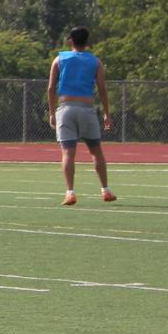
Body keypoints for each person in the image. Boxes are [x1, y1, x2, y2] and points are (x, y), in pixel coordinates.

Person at [46, 27, 115, 206]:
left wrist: (52, 112)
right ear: (87, 41)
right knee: (96, 151)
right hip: (87, 108)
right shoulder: (95, 61)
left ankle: (70, 192)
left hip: (66, 108)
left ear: (71, 41)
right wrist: (107, 113)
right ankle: (105, 190)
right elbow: (102, 88)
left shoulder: (59, 59)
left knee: (68, 152)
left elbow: (51, 88)